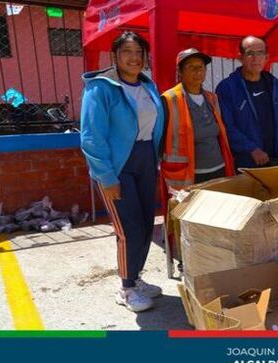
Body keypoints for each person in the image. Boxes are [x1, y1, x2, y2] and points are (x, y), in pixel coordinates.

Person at [80, 31, 164, 313]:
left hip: (145, 161)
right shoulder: (100, 88)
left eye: (139, 52)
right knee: (129, 229)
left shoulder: (148, 85)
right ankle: (126, 289)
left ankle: (136, 278)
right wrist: (107, 177)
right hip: (118, 167)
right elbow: (91, 137)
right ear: (114, 56)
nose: (134, 58)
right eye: (127, 52)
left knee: (144, 225)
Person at [160, 48, 235, 189]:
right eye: (190, 67)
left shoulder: (212, 98)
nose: (198, 71)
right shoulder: (169, 99)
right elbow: (161, 139)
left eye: (201, 66)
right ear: (180, 72)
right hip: (189, 175)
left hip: (219, 169)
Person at [215, 35, 278, 169]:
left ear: (266, 57)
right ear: (240, 57)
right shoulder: (227, 87)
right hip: (245, 163)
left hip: (275, 160)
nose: (256, 58)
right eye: (250, 53)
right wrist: (251, 149)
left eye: (260, 53)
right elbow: (226, 126)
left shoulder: (274, 84)